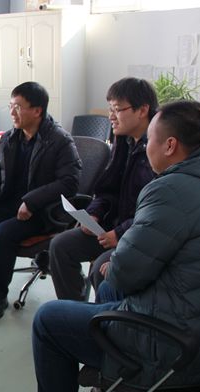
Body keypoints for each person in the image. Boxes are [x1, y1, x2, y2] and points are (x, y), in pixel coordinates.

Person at [11, 100, 200, 392]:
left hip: (181, 349)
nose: (146, 146)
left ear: (170, 145)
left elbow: (125, 274)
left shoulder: (170, 189)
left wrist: (118, 259)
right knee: (106, 288)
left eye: (151, 139)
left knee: (48, 319)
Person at [0, 81, 81, 322]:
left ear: (37, 111)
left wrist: (31, 202)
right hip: (12, 204)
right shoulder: (10, 138)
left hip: (43, 211)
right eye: (11, 106)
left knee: (2, 233)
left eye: (18, 107)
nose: (12, 112)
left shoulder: (59, 140)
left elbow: (69, 183)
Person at [49, 77, 157, 301]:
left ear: (142, 110)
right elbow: (108, 189)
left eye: (117, 109)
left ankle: (104, 317)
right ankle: (74, 308)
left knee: (101, 267)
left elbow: (155, 212)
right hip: (112, 227)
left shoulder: (156, 149)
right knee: (60, 245)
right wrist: (94, 213)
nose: (111, 116)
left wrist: (119, 234)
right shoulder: (124, 141)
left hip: (139, 235)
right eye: (110, 109)